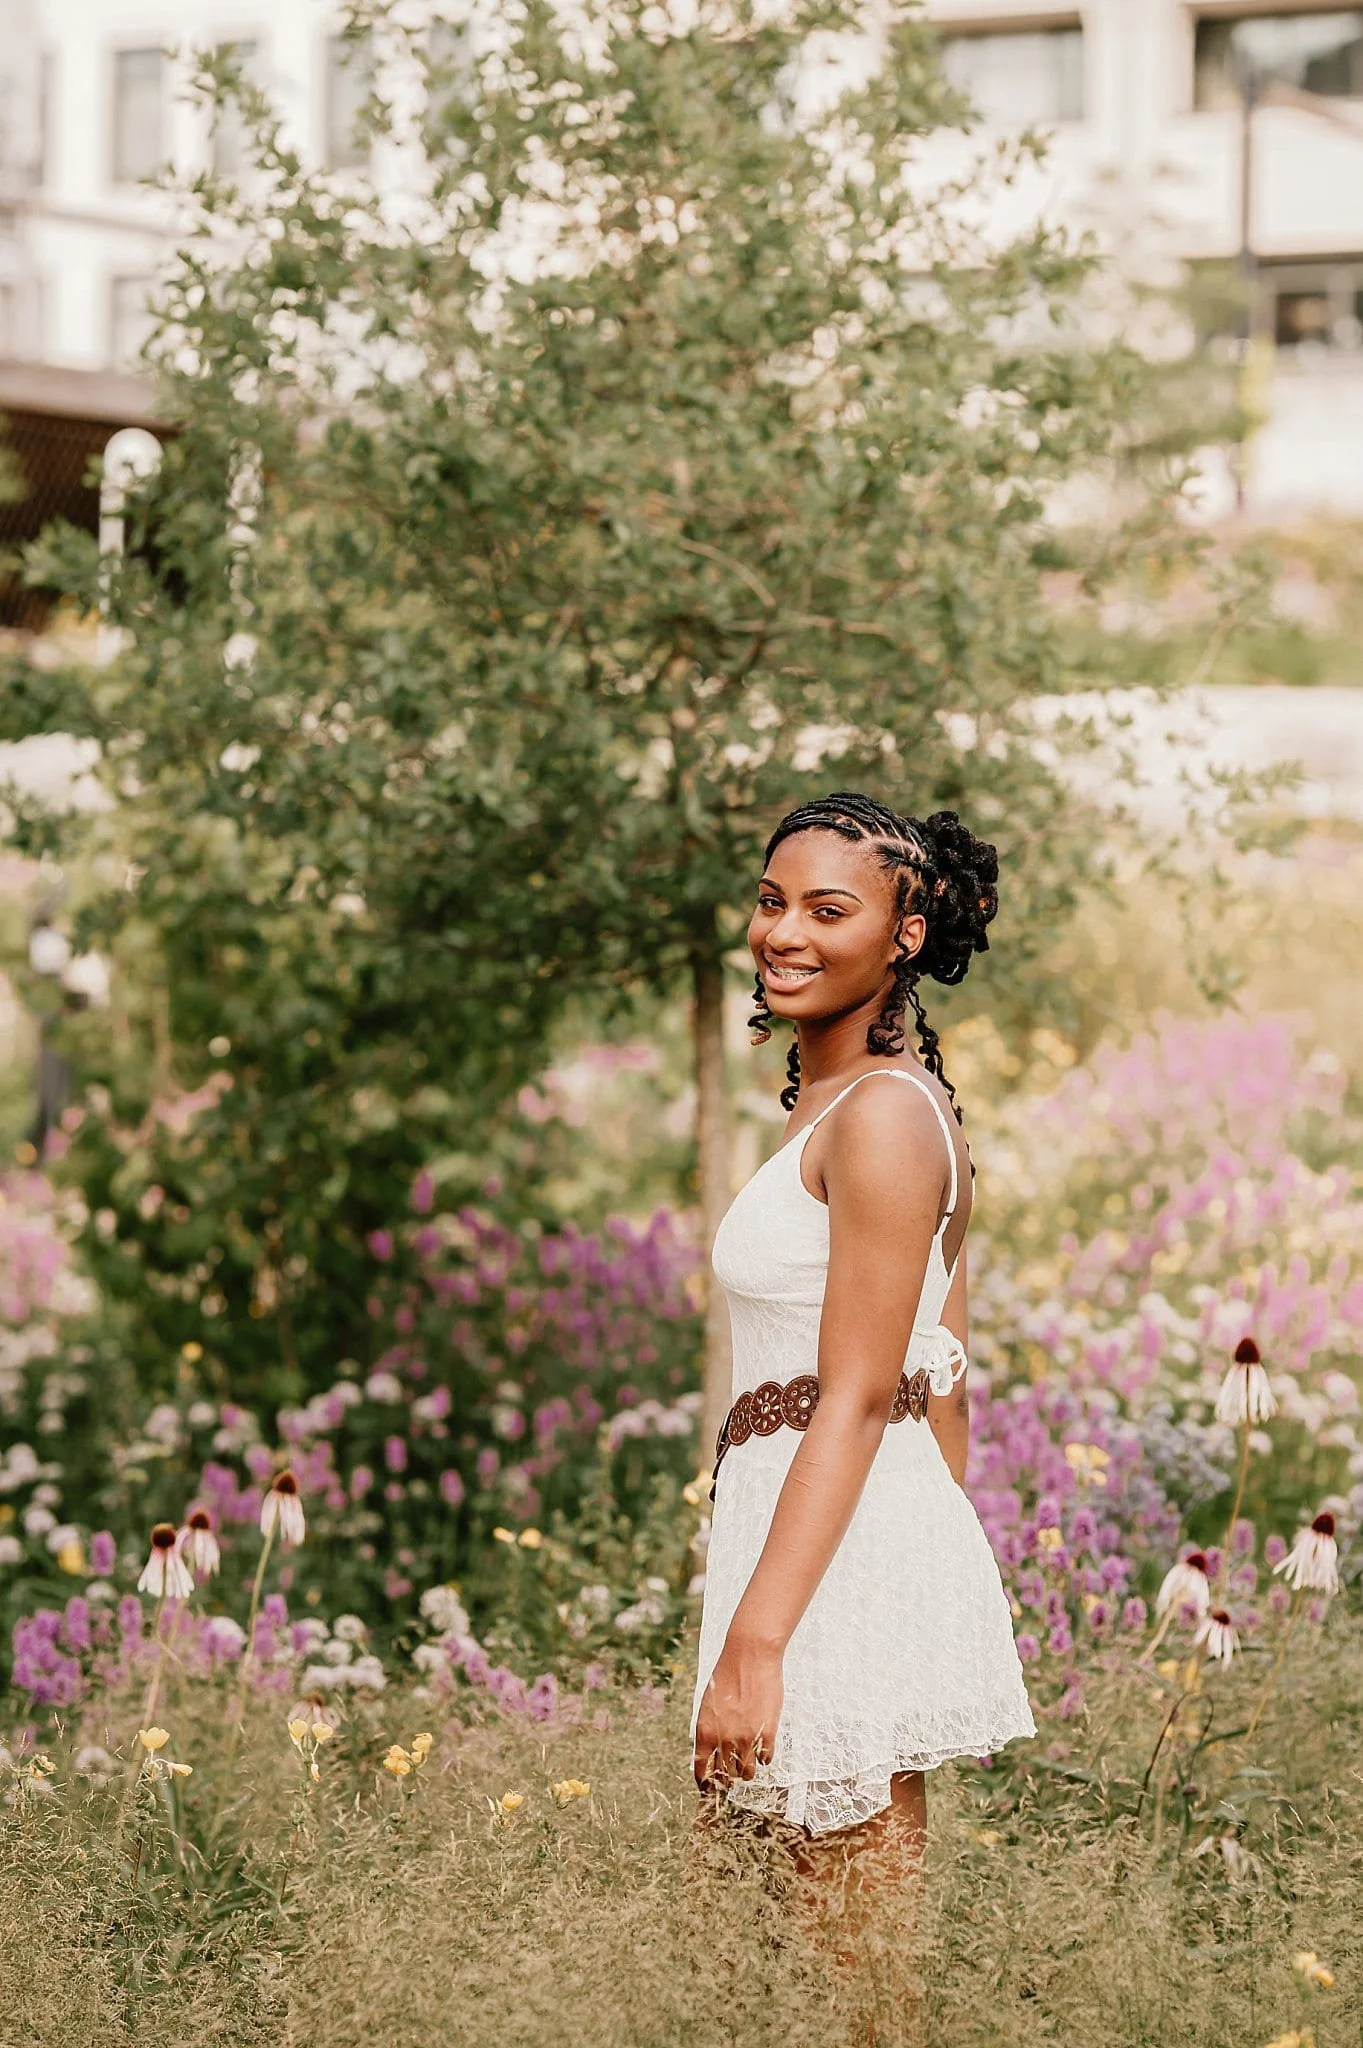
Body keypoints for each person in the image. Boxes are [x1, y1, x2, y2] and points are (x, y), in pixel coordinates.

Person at [690, 791, 1034, 1877]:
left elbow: (858, 1393)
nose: (783, 932)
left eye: (826, 909)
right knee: (768, 1967)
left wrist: (768, 1637)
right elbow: (947, 1388)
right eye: (769, 901)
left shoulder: (883, 1114)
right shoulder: (842, 1103)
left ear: (904, 935)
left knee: (850, 1996)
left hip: (822, 1570)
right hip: (808, 1551)